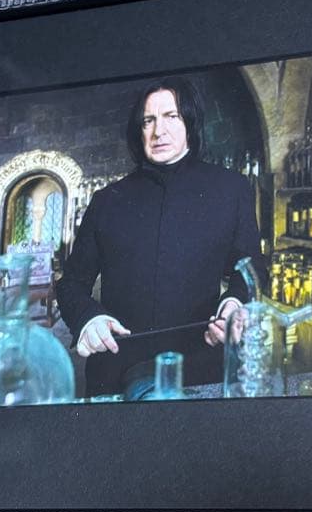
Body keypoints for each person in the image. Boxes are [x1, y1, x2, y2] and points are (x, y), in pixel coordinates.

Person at [55, 76, 266, 397]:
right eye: (148, 121)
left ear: (190, 123)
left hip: (201, 367)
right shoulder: (107, 200)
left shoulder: (231, 189)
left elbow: (252, 269)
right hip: (116, 367)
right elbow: (71, 283)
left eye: (171, 116)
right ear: (138, 131)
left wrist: (234, 304)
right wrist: (87, 319)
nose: (158, 131)